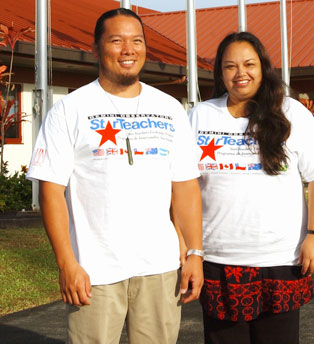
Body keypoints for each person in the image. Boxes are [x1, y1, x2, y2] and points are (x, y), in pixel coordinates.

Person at [27, 8, 203, 343]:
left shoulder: (169, 109)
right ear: (96, 48)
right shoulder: (70, 109)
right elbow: (50, 191)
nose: (129, 50)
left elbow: (185, 188)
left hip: (159, 268)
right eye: (116, 40)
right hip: (95, 271)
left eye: (137, 41)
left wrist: (195, 252)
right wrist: (67, 265)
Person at [188, 32, 314, 344]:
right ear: (220, 73)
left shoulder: (291, 112)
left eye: (248, 64)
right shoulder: (201, 115)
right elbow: (184, 187)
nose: (240, 73)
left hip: (280, 260)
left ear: (263, 68)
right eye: (230, 66)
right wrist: (190, 251)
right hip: (219, 261)